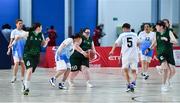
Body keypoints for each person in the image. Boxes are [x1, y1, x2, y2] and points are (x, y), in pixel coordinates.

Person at [10, 23, 49, 95]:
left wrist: (46, 41)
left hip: (36, 56)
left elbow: (43, 45)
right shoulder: (28, 33)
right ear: (38, 27)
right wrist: (11, 44)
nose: (42, 28)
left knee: (30, 71)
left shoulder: (41, 35)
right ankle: (27, 87)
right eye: (41, 27)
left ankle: (24, 84)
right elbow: (17, 37)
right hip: (27, 54)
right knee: (29, 70)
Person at [145, 21, 178, 92]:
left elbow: (175, 41)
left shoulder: (169, 32)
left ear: (161, 27)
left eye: (157, 26)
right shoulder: (156, 33)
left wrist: (167, 39)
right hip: (160, 53)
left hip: (169, 53)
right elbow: (155, 42)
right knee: (165, 67)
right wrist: (149, 48)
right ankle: (163, 85)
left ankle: (167, 80)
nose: (156, 27)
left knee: (173, 71)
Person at [109, 23, 139, 92]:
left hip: (126, 56)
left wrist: (112, 51)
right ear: (130, 28)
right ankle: (133, 82)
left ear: (124, 28)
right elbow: (138, 43)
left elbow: (116, 43)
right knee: (134, 70)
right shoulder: (135, 34)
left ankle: (128, 85)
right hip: (134, 55)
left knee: (125, 70)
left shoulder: (122, 35)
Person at [7, 19, 26, 83]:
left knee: (23, 64)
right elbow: (11, 41)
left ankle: (22, 78)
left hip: (23, 50)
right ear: (16, 24)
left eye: (21, 23)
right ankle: (14, 77)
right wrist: (9, 49)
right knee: (16, 63)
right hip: (16, 50)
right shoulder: (13, 32)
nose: (21, 24)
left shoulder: (24, 32)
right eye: (19, 23)